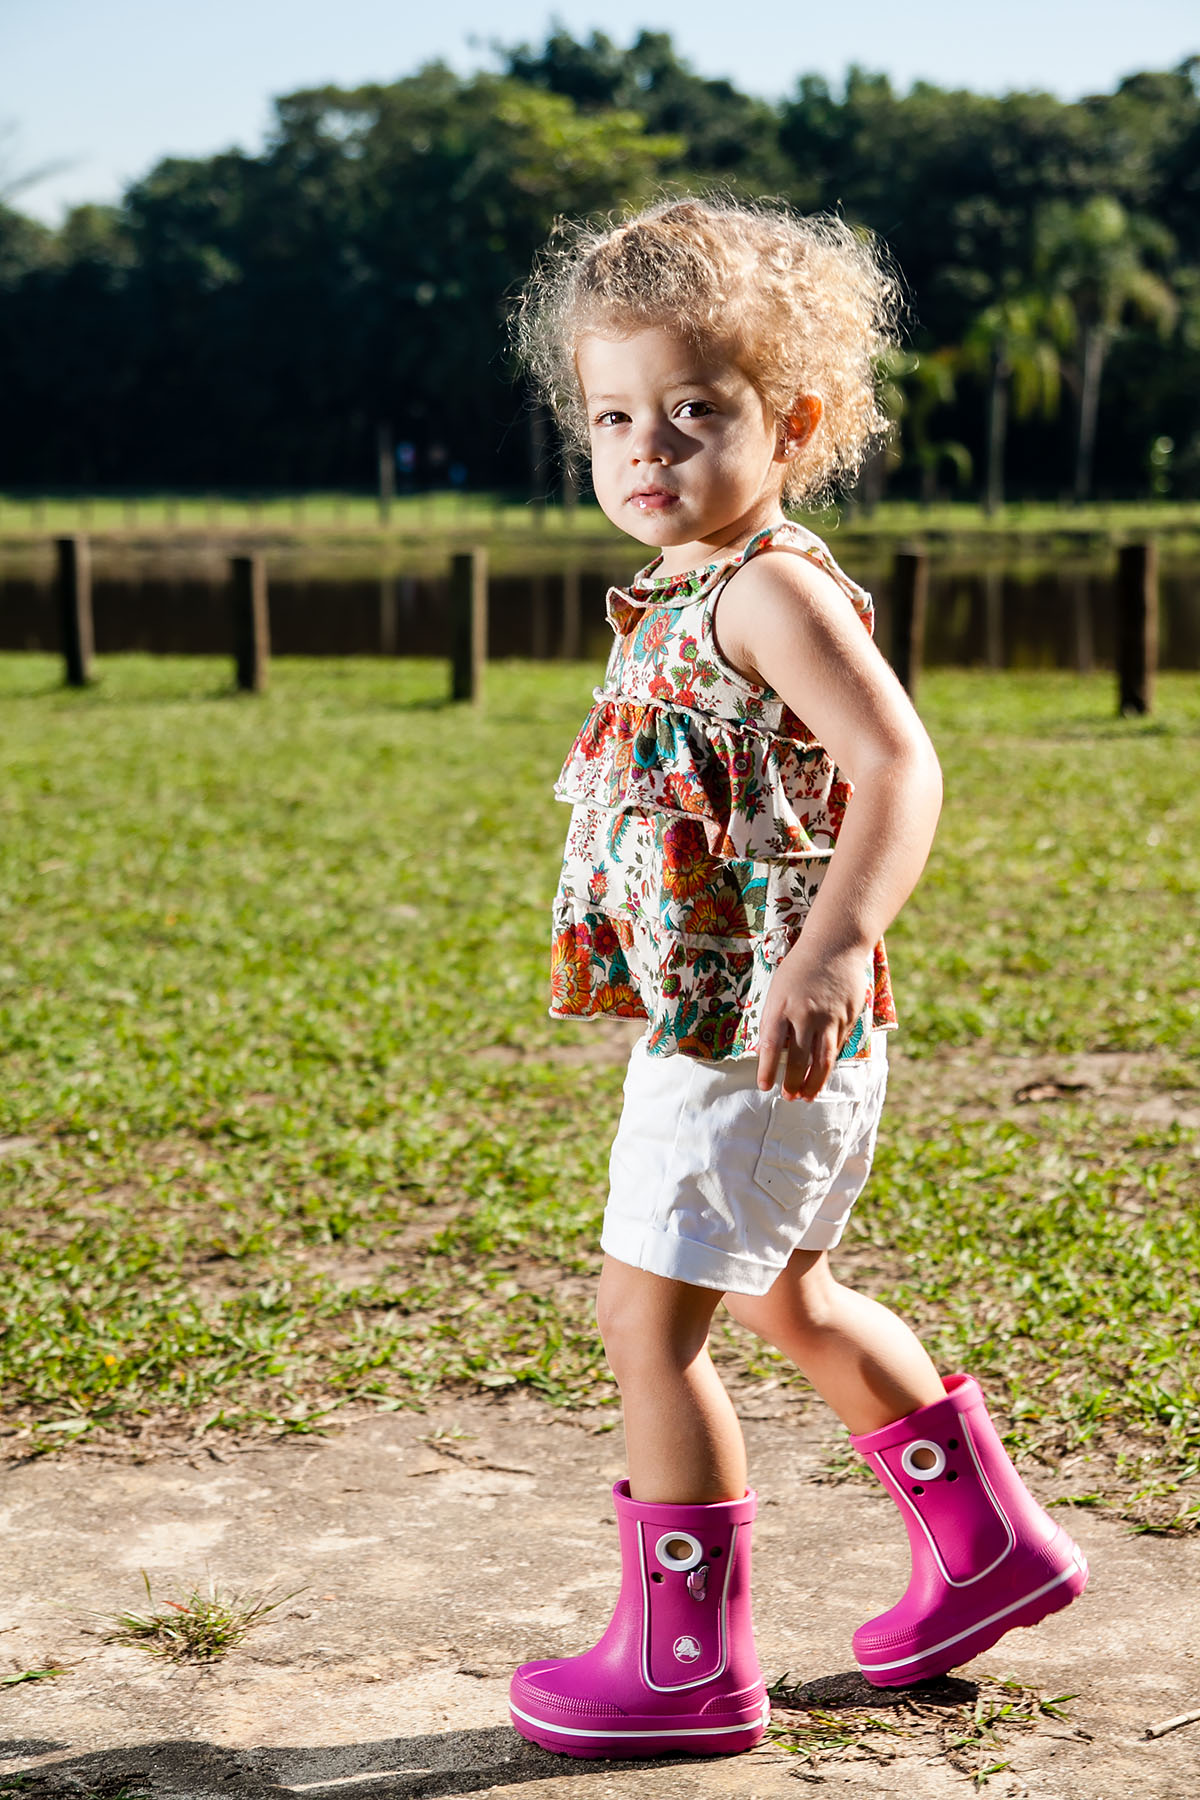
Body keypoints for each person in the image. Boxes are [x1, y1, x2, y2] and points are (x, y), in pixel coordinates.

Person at [507, 196, 1087, 1760]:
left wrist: (826, 951)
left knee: (647, 1322)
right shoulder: (687, 585)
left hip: (764, 1025)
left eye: (695, 413)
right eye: (616, 415)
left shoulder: (767, 587)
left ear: (795, 420)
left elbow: (899, 767)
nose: (649, 450)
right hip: (728, 1029)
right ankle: (988, 1553)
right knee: (783, 1292)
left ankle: (683, 1662)